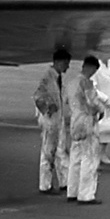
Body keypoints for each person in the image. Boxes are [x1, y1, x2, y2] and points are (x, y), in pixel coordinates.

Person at [65, 56, 110, 203]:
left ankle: (72, 190)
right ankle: (86, 194)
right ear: (92, 68)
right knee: (89, 158)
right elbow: (92, 101)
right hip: (87, 121)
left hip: (74, 120)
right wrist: (101, 109)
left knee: (75, 157)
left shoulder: (71, 83)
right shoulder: (87, 83)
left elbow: (66, 100)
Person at [31, 49, 72, 194]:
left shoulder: (56, 77)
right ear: (60, 62)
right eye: (66, 64)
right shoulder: (48, 77)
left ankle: (64, 181)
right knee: (49, 151)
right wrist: (48, 107)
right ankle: (46, 184)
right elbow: (38, 96)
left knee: (59, 149)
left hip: (56, 118)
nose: (68, 67)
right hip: (51, 119)